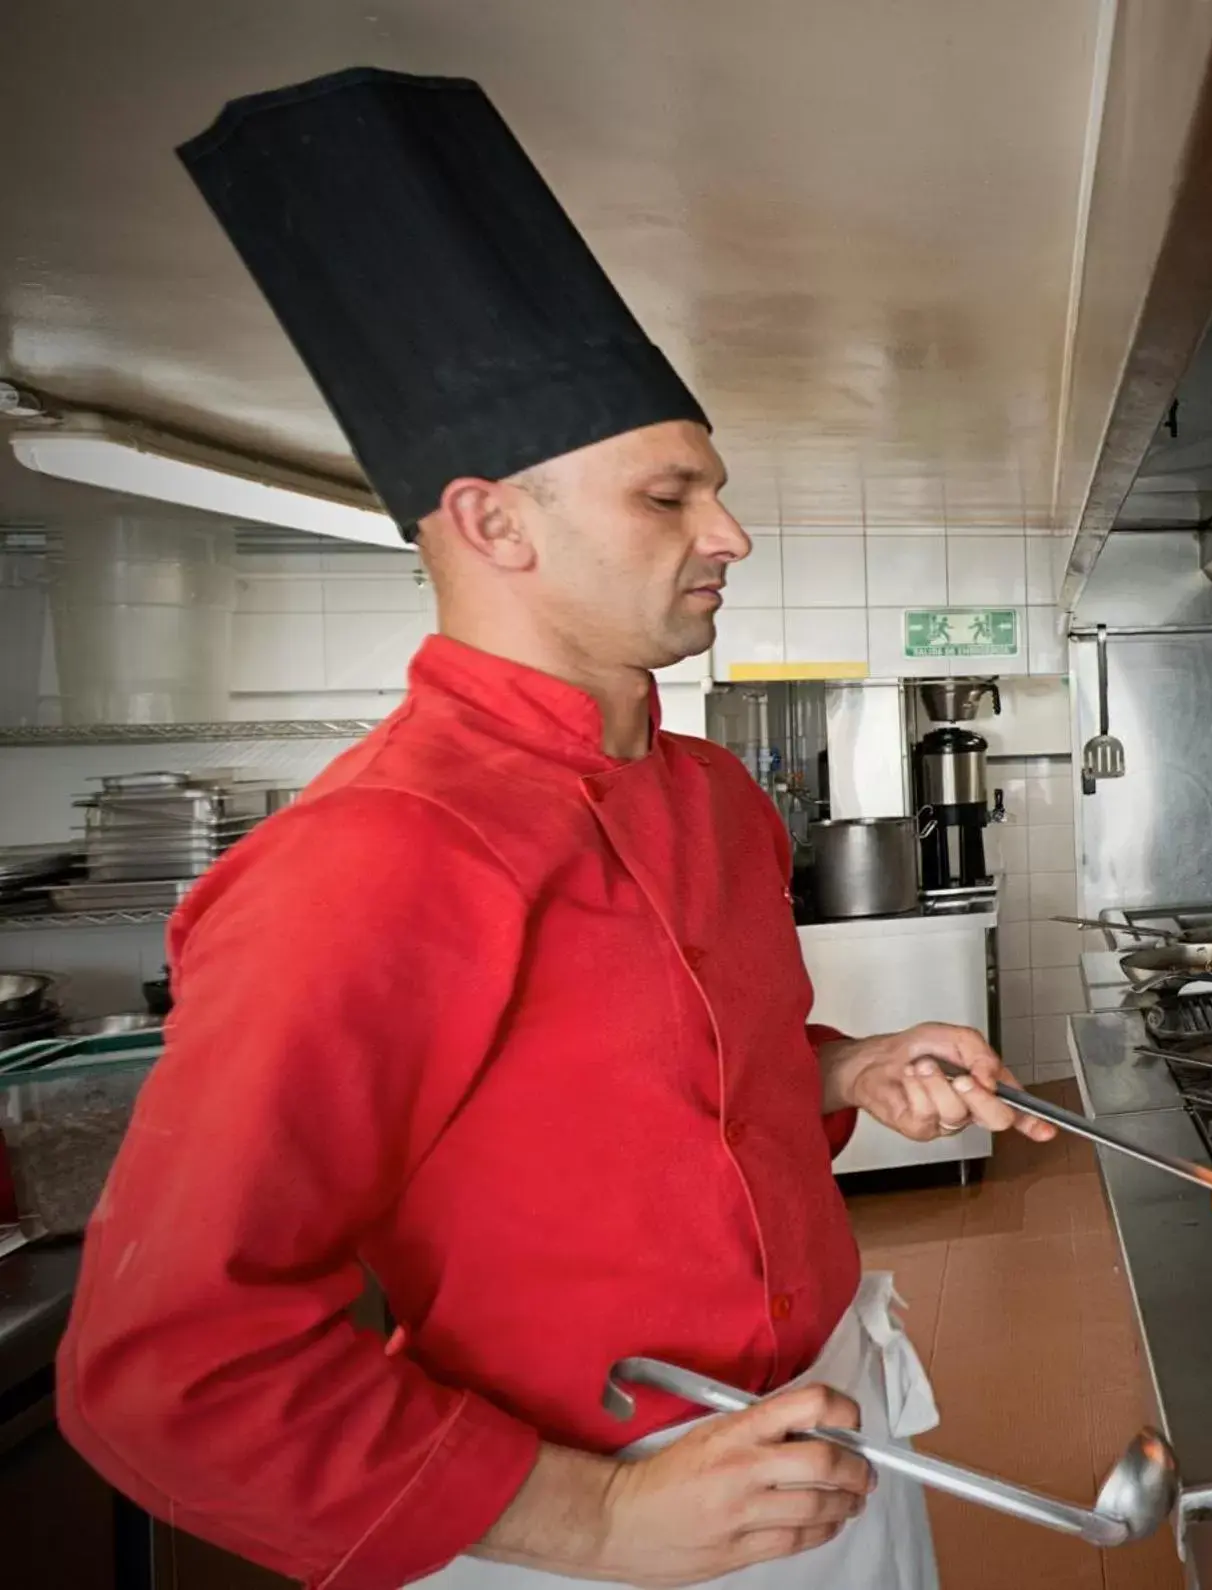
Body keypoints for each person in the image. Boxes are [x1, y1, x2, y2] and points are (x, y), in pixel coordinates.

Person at [57, 66, 1055, 1590]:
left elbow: (680, 1096)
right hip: (575, 1520)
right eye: (670, 497)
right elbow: (169, 1363)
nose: (727, 534)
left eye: (713, 491)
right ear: (495, 523)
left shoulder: (710, 794)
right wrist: (594, 1519)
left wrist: (847, 1067)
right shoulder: (371, 857)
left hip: (828, 1436)